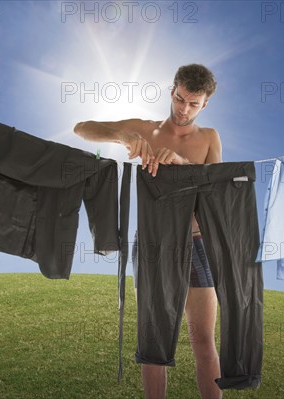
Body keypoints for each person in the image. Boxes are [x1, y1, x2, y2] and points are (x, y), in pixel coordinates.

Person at [74, 64, 223, 399]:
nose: (184, 109)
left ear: (204, 105)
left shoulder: (209, 138)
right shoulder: (146, 129)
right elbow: (82, 128)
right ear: (172, 91)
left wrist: (184, 167)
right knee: (153, 338)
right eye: (180, 99)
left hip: (197, 242)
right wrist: (123, 136)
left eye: (193, 104)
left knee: (203, 341)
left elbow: (214, 196)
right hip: (153, 245)